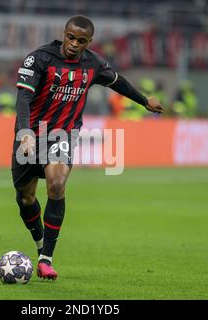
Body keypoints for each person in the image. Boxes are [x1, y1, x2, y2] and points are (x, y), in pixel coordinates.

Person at [11, 15, 163, 280]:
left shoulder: (92, 63)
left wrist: (144, 101)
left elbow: (118, 82)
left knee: (57, 184)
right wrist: (24, 133)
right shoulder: (39, 59)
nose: (74, 44)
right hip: (30, 135)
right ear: (64, 34)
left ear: (89, 42)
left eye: (81, 41)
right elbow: (23, 98)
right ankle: (39, 245)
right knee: (26, 198)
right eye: (71, 37)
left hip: (62, 135)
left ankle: (46, 258)